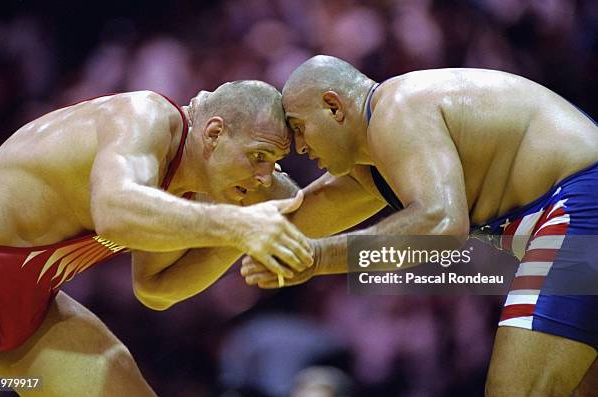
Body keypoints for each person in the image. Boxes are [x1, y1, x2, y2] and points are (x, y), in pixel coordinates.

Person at [241, 55, 598, 396]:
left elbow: (443, 225)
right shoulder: (375, 166)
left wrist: (318, 260)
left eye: (300, 128)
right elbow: (294, 223)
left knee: (517, 391)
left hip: (583, 203)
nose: (300, 147)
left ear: (333, 106)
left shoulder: (397, 108)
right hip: (578, 208)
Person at [0, 80, 313, 396]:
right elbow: (114, 212)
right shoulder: (144, 115)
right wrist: (239, 224)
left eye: (273, 163)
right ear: (213, 133)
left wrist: (241, 239)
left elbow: (156, 287)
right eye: (259, 156)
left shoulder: (186, 187)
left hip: (32, 304)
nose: (264, 176)